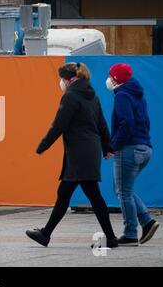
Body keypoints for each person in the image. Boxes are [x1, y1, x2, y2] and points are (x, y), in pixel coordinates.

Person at [26, 62, 118, 248]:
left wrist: (42, 146)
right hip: (88, 151)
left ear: (68, 80)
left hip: (78, 153)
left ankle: (109, 238)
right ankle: (46, 234)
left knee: (88, 195)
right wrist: (107, 147)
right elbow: (102, 124)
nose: (60, 82)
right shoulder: (92, 95)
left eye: (61, 79)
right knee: (71, 193)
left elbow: (58, 125)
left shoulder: (71, 96)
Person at [106, 63, 159, 246]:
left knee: (123, 192)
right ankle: (147, 221)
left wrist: (113, 146)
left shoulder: (122, 95)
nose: (109, 79)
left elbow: (126, 123)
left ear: (117, 79)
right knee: (123, 189)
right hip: (145, 148)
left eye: (111, 76)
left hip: (129, 148)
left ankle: (130, 233)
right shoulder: (139, 95)